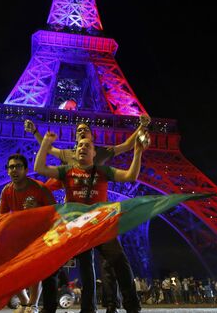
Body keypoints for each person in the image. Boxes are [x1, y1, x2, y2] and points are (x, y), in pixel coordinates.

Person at [34, 131, 148, 313]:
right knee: (55, 263)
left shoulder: (103, 171)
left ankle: (132, 306)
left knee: (119, 262)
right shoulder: (66, 171)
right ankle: (51, 308)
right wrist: (46, 142)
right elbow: (40, 168)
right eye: (80, 145)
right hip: (76, 226)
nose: (83, 148)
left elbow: (130, 177)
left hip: (100, 224)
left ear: (95, 153)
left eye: (88, 146)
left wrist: (137, 152)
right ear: (75, 151)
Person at [0, 153, 57, 313]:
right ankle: (25, 302)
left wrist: (37, 209)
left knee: (34, 270)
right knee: (9, 269)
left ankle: (33, 304)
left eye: (18, 166)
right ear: (7, 171)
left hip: (38, 236)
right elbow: (1, 218)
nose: (14, 170)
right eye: (11, 167)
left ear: (26, 169)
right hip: (18, 237)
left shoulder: (39, 188)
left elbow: (55, 212)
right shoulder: (6, 191)